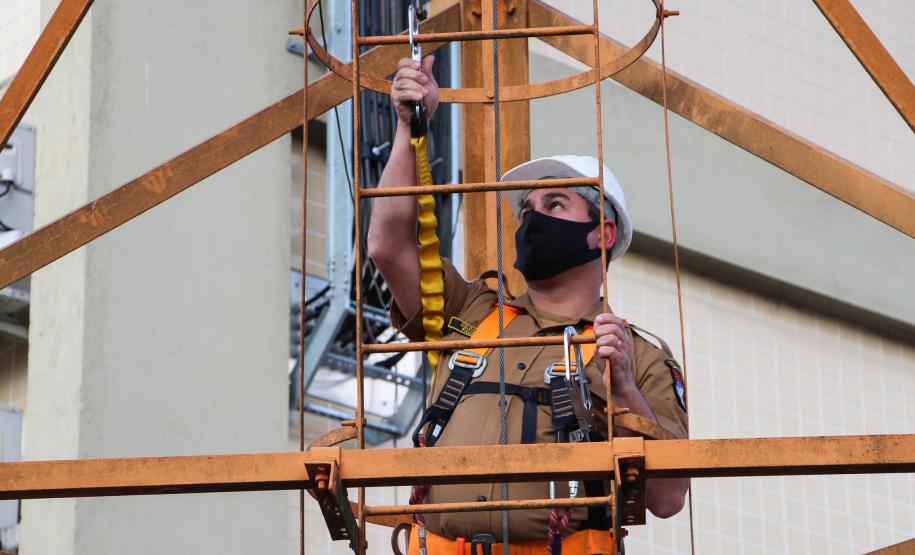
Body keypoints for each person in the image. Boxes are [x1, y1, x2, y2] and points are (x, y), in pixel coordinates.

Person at [368, 55, 689, 548]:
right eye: (526, 209)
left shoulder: (637, 357)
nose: (532, 219)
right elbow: (387, 245)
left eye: (554, 204)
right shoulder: (472, 310)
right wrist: (411, 128)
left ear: (600, 233)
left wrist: (622, 386)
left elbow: (667, 498)